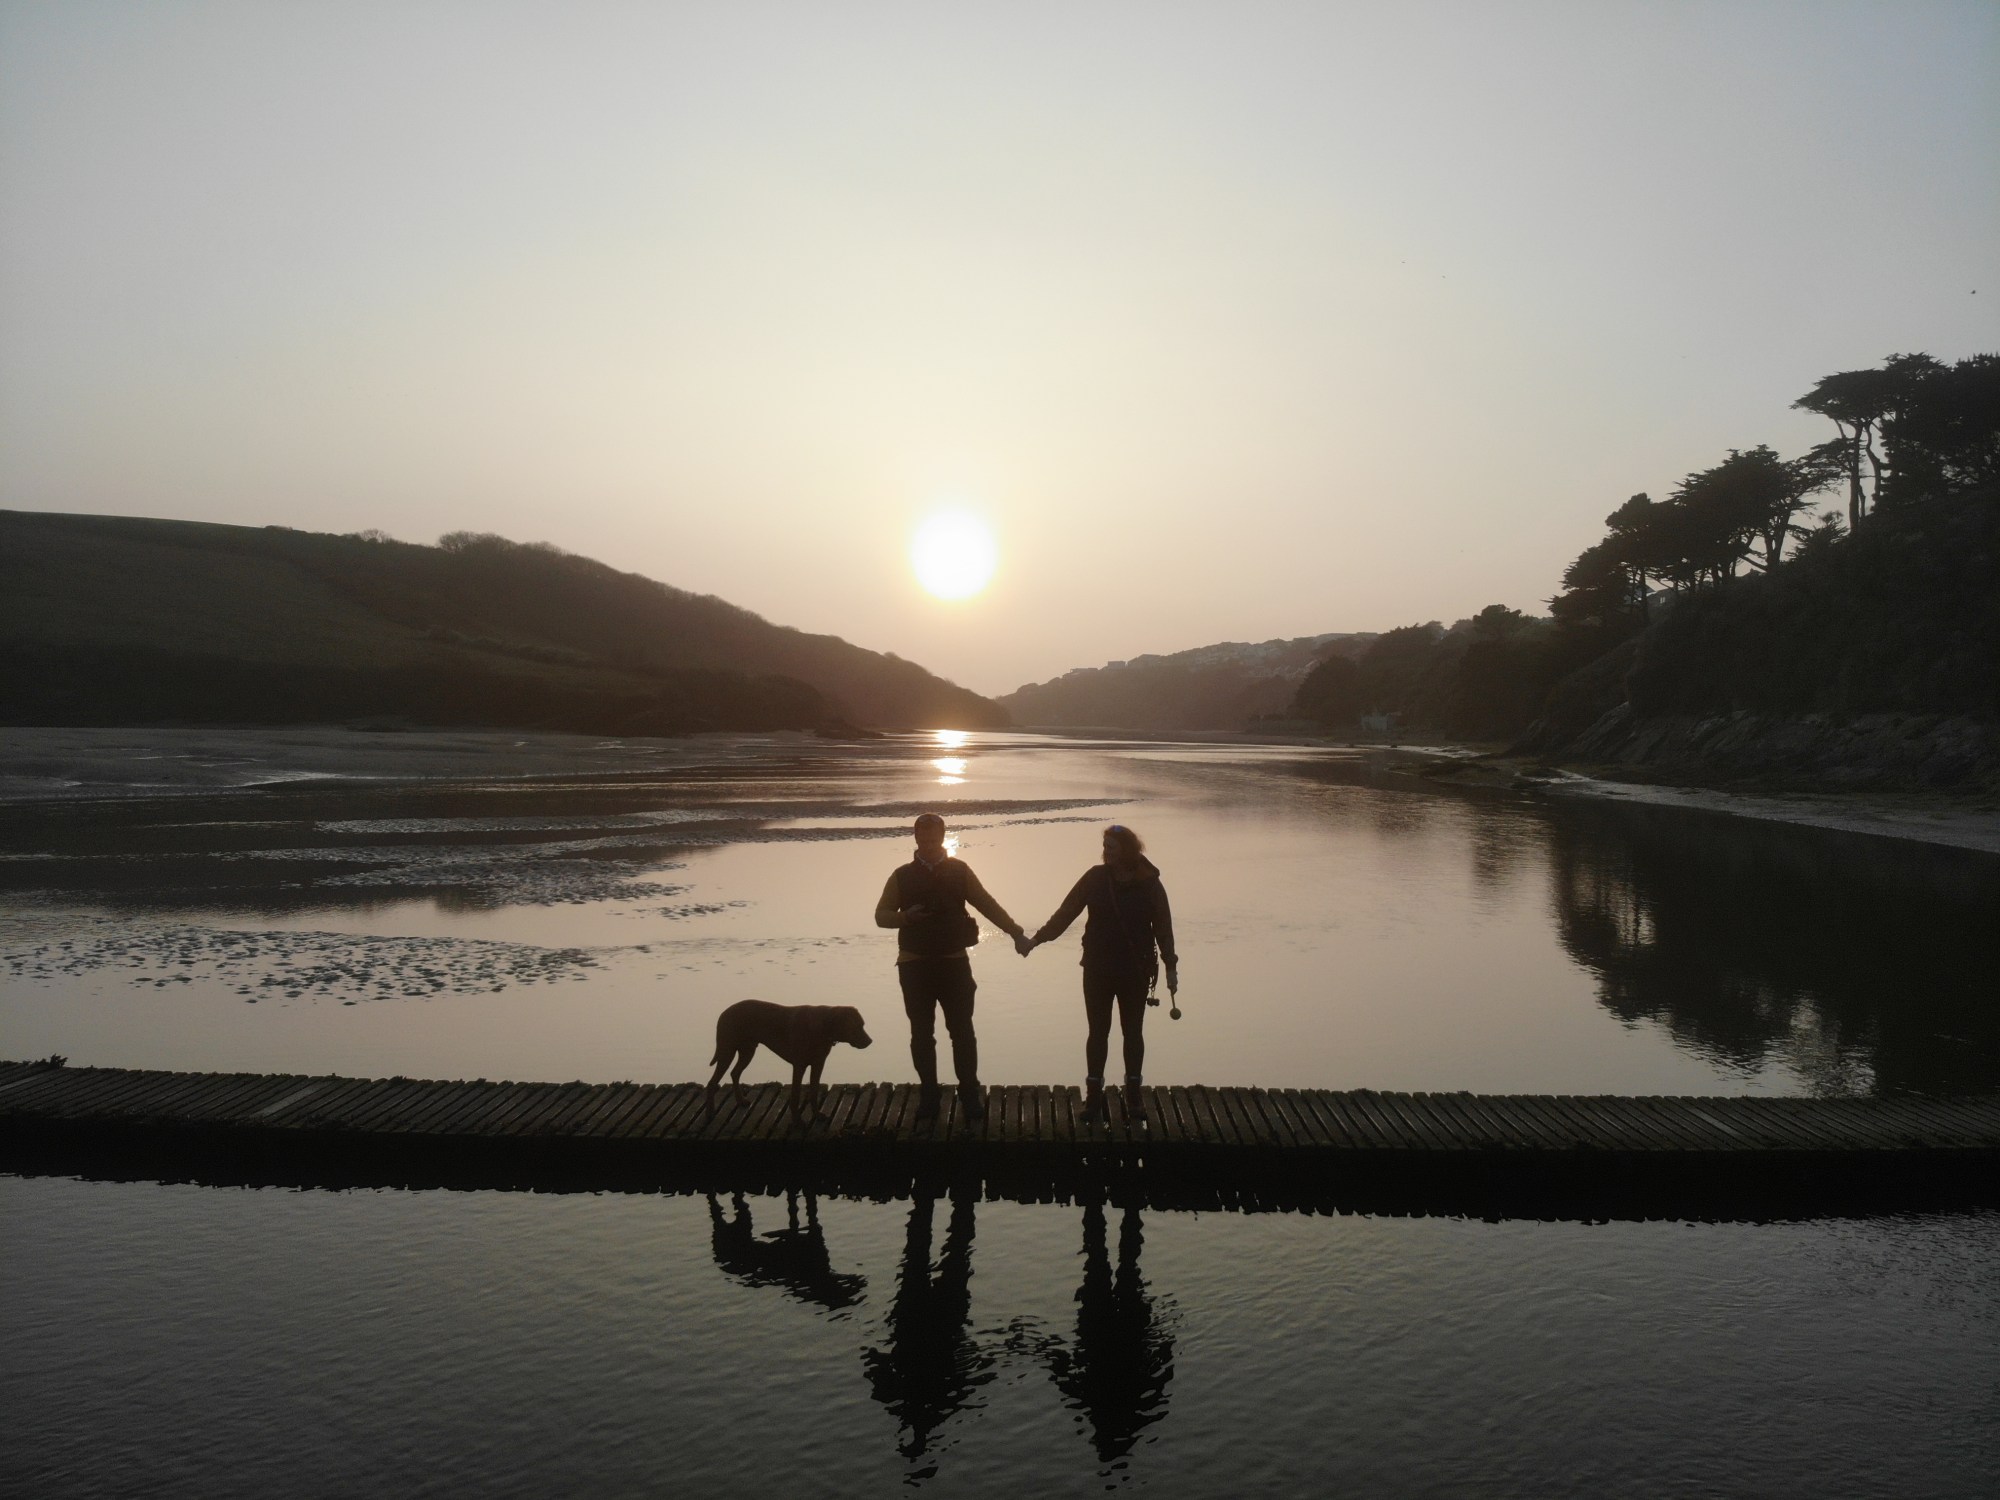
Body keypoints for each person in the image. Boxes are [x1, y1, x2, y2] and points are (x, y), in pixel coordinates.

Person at [874, 813, 1033, 1122]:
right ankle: (929, 1097)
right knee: (921, 1034)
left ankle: (970, 1097)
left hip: (954, 964)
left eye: (934, 839)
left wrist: (1016, 933)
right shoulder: (901, 875)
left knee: (962, 1033)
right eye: (924, 839)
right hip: (914, 965)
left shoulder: (960, 871)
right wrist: (906, 917)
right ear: (916, 839)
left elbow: (986, 903)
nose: (930, 845)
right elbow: (880, 916)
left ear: (943, 838)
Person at [1023, 824, 1178, 1121]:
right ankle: (1094, 1099)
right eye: (1104, 846)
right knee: (1098, 1032)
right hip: (1097, 967)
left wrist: (1171, 966)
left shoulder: (1150, 884)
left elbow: (1163, 927)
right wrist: (1037, 939)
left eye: (1111, 847)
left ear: (1127, 850)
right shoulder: (1095, 878)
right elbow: (1066, 912)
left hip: (1135, 970)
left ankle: (1133, 1098)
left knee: (1133, 1032)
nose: (1105, 852)